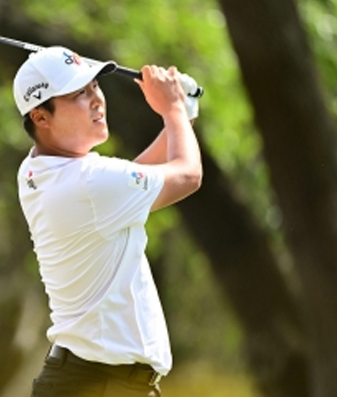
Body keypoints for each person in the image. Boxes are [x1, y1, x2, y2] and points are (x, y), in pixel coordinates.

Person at [13, 46, 202, 397]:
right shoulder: (90, 182)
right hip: (99, 384)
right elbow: (188, 176)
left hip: (88, 382)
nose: (97, 100)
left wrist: (181, 116)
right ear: (41, 117)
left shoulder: (35, 169)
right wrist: (174, 109)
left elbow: (128, 183)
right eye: (78, 94)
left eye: (94, 86)